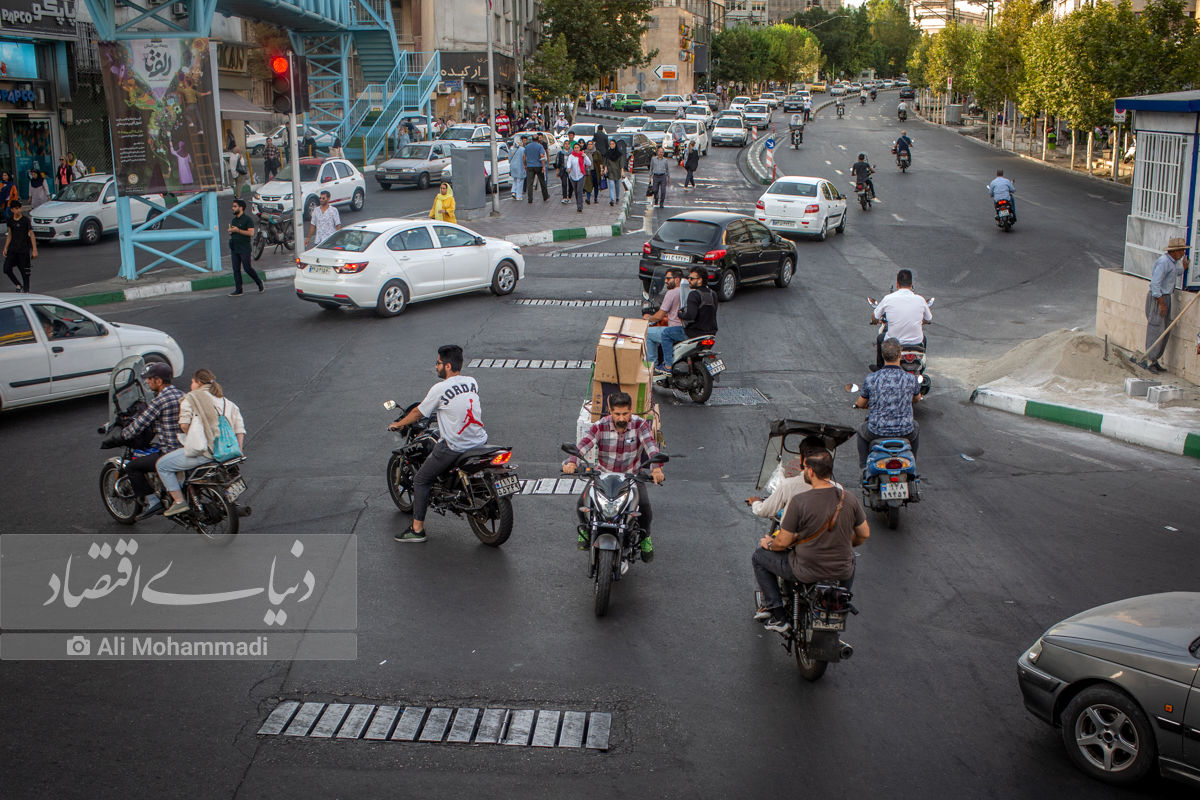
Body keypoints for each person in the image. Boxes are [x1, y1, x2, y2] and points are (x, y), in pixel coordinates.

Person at [751, 450, 869, 633]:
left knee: (759, 557)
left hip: (805, 570)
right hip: (842, 572)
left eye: (804, 468)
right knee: (852, 558)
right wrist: (843, 544)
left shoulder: (800, 502)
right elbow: (863, 534)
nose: (803, 472)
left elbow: (783, 542)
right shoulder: (849, 498)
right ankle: (842, 601)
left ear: (811, 471)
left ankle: (778, 616)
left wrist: (769, 544)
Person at [388, 345, 487, 542]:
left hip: (454, 446)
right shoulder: (472, 381)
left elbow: (418, 413)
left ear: (448, 366)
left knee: (421, 480)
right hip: (479, 441)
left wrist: (398, 424)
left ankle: (417, 530)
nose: (436, 367)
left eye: (438, 363)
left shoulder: (440, 388)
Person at [563, 391, 664, 559]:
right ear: (610, 410)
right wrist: (573, 462)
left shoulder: (640, 425)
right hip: (603, 475)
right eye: (617, 414)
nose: (621, 418)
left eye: (625, 413)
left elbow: (651, 446)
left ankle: (646, 538)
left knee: (645, 508)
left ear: (631, 410)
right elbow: (583, 445)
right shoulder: (600, 425)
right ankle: (586, 532)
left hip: (631, 477)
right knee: (582, 503)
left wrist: (656, 469)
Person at [158, 369, 246, 517]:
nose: (190, 385)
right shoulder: (226, 402)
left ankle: (179, 502)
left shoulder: (191, 399)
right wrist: (238, 449)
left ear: (198, 382)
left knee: (162, 465)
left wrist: (193, 437)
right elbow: (240, 429)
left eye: (192, 382)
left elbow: (184, 425)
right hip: (228, 454)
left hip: (206, 453)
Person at [117, 362, 185, 514]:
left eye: (149, 379)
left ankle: (154, 502)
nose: (147, 382)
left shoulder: (159, 401)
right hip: (186, 448)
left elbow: (140, 424)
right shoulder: (182, 394)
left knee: (132, 467)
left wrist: (122, 435)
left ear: (159, 381)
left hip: (170, 451)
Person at [854, 338, 922, 467]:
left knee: (861, 430)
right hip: (905, 430)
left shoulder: (872, 378)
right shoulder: (910, 379)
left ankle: (863, 467)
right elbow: (917, 398)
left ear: (882, 355)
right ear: (900, 354)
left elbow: (861, 403)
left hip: (877, 430)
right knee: (916, 426)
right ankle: (913, 462)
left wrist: (858, 405)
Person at [745, 436, 833, 521]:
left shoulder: (789, 485)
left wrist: (756, 502)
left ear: (803, 460)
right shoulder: (839, 489)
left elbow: (764, 511)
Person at [1142, 237, 1190, 373]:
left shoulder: (1172, 263)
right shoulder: (1163, 262)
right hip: (1159, 299)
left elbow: (1173, 274)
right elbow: (1155, 284)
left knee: (1163, 329)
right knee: (1155, 328)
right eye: (1182, 251)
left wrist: (1184, 269)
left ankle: (1155, 359)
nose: (1182, 254)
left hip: (1165, 297)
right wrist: (1162, 303)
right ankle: (1149, 360)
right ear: (1175, 251)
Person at [872, 269, 931, 368]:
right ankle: (921, 367)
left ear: (897, 284)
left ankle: (880, 368)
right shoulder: (920, 300)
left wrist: (874, 320)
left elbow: (875, 316)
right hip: (916, 342)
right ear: (911, 285)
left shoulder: (888, 298)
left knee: (880, 338)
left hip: (894, 342)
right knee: (924, 338)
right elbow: (928, 318)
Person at [644, 268, 685, 371]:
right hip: (685, 328)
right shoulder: (686, 291)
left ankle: (652, 367)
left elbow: (659, 315)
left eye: (668, 278)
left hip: (674, 329)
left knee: (648, 333)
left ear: (677, 280)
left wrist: (648, 318)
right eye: (665, 278)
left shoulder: (672, 293)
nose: (665, 281)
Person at [227, 198, 262, 296]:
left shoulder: (248, 219)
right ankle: (239, 289)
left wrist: (238, 230)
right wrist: (231, 232)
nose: (232, 208)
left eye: (235, 206)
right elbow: (234, 232)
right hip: (234, 247)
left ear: (241, 208)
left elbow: (251, 233)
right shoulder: (234, 220)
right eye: (233, 206)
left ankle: (259, 282)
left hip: (244, 248)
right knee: (236, 269)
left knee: (247, 268)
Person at [3, 200, 37, 293]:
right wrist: (5, 247)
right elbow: (10, 234)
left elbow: (31, 234)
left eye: (19, 208)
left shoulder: (25, 220)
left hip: (23, 251)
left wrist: (34, 250)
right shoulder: (10, 220)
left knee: (25, 273)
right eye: (16, 209)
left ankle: (26, 292)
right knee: (6, 269)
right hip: (13, 250)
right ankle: (18, 285)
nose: (19, 210)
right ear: (12, 210)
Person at [680, 267, 718, 340]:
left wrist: (680, 314)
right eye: (688, 278)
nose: (688, 280)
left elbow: (690, 316)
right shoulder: (713, 294)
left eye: (691, 279)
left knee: (666, 334)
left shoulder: (694, 294)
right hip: (711, 333)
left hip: (694, 333)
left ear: (700, 280)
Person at [566, 142, 591, 213]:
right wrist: (569, 168)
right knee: (576, 191)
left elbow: (589, 163)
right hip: (573, 176)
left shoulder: (582, 155)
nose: (576, 149)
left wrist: (585, 156)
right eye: (575, 148)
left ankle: (580, 206)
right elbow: (569, 163)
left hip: (581, 175)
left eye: (577, 148)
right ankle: (578, 203)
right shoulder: (571, 156)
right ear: (573, 149)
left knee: (579, 190)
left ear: (580, 148)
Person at [524, 133, 548, 203]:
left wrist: (525, 164)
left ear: (532, 139)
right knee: (542, 182)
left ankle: (530, 198)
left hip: (530, 166)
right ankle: (545, 196)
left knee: (530, 183)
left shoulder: (527, 146)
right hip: (538, 166)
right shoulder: (540, 146)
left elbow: (524, 156)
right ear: (538, 139)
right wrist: (543, 166)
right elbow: (542, 156)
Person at [604, 138, 624, 206]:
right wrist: (605, 170)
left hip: (617, 172)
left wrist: (622, 172)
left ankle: (617, 197)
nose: (611, 145)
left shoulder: (619, 154)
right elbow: (606, 163)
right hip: (610, 172)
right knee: (611, 185)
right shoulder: (608, 153)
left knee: (617, 186)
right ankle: (612, 199)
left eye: (613, 144)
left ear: (615, 144)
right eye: (610, 144)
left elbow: (621, 163)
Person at [509, 134, 528, 201]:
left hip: (512, 166)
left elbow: (509, 159)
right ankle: (519, 196)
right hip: (520, 166)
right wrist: (525, 165)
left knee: (515, 179)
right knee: (520, 181)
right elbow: (524, 158)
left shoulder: (511, 149)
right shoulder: (522, 149)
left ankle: (513, 191)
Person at [584, 140, 601, 205]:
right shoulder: (585, 153)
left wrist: (601, 170)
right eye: (588, 144)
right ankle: (588, 198)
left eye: (591, 144)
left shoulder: (597, 152)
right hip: (588, 171)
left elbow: (600, 162)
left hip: (595, 171)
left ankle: (595, 198)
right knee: (588, 185)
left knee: (596, 185)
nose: (590, 145)